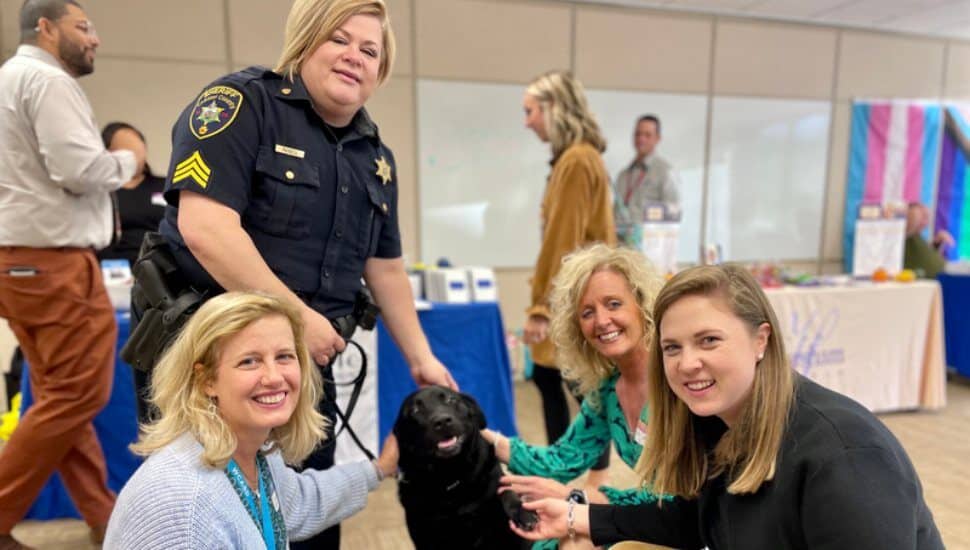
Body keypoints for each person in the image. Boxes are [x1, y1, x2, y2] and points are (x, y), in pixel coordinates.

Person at [150, 1, 454, 546]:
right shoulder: (241, 105)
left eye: (370, 50)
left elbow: (384, 267)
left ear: (381, 72)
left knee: (307, 513)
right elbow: (205, 225)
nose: (353, 57)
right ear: (305, 39)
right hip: (213, 366)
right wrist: (297, 319)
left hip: (307, 367)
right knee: (208, 512)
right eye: (339, 40)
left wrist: (421, 358)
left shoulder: (376, 158)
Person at [511, 264, 943, 549]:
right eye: (672, 348)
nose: (686, 364)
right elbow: (694, 519)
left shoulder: (845, 455)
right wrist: (578, 517)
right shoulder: (716, 424)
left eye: (709, 340)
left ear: (761, 340)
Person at [104, 291, 398, 548]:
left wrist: (378, 469)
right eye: (249, 361)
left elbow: (299, 502)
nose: (274, 377)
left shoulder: (252, 453)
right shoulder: (187, 510)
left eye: (284, 356)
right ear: (206, 379)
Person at [0, 1, 136, 548]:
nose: (95, 39)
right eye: (83, 27)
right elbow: (80, 171)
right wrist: (128, 159)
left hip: (22, 262)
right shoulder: (46, 81)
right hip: (53, 262)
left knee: (63, 397)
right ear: (46, 28)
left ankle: (106, 518)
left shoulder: (9, 79)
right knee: (76, 396)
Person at [483, 244, 665, 550]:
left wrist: (581, 500)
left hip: (698, 522)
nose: (602, 320)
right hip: (652, 515)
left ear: (642, 305)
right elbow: (564, 459)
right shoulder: (608, 389)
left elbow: (679, 497)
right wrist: (490, 441)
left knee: (571, 535)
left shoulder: (677, 380)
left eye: (614, 304)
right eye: (587, 312)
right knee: (560, 538)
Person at [522, 70, 616, 484]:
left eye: (530, 112)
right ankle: (575, 473)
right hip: (575, 292)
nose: (527, 122)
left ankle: (578, 477)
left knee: (577, 385)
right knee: (567, 382)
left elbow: (564, 240)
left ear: (553, 109)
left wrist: (541, 306)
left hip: (573, 296)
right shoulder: (576, 158)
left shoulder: (577, 160)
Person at [96, 122, 167, 268]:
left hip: (160, 269)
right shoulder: (99, 192)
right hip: (112, 270)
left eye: (137, 147)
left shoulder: (165, 186)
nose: (134, 156)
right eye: (126, 148)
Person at [613, 115, 680, 248]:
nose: (641, 139)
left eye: (647, 135)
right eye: (638, 134)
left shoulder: (665, 172)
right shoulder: (623, 175)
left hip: (649, 249)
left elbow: (672, 215)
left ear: (657, 139)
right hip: (620, 247)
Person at [903, 202, 952, 279]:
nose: (925, 221)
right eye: (922, 216)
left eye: (926, 217)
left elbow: (923, 257)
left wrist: (937, 243)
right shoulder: (906, 234)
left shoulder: (918, 237)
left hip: (942, 275)